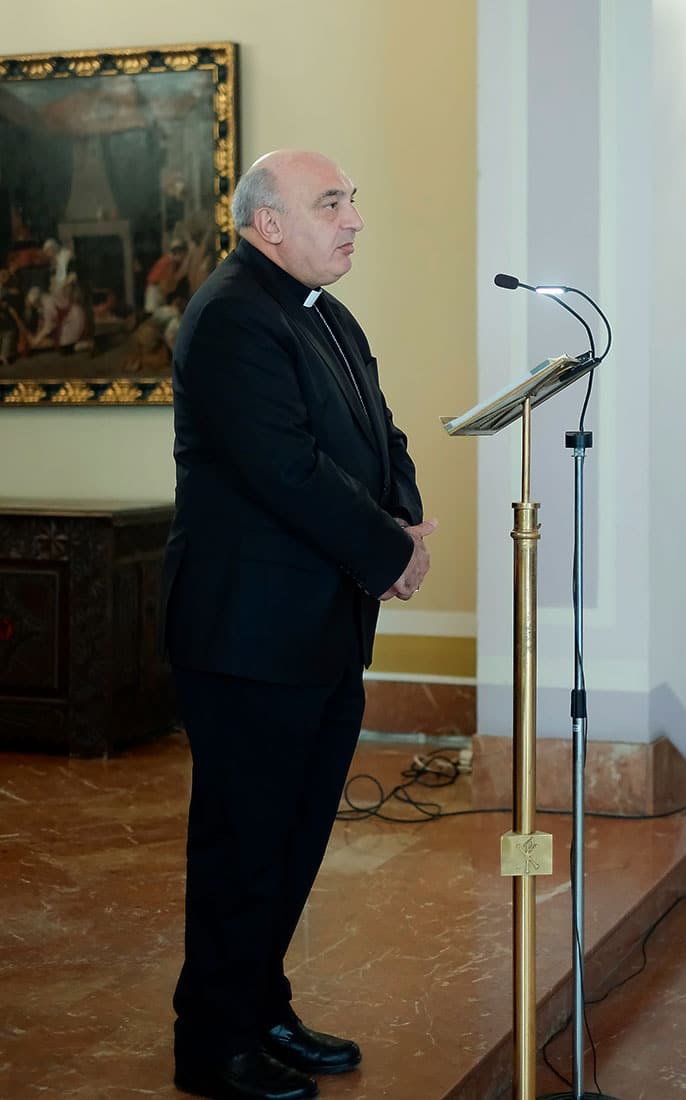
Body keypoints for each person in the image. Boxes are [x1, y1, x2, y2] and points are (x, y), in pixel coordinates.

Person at [160, 149, 436, 1100]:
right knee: (242, 846)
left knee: (295, 837)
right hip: (249, 634)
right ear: (267, 224)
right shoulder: (233, 316)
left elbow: (381, 434)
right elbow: (288, 470)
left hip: (317, 627)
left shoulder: (325, 311)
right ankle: (213, 1044)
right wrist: (392, 553)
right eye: (331, 203)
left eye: (351, 200)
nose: (353, 218)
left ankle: (261, 1006)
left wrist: (403, 521)